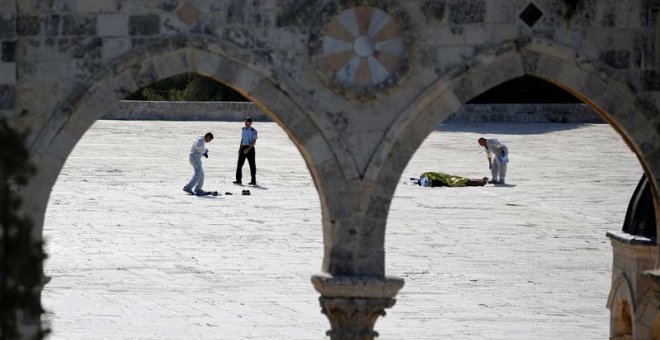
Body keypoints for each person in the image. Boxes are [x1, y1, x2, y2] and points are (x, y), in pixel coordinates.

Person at [233, 116, 258, 185]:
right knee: (239, 165)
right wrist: (240, 148)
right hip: (243, 147)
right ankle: (238, 180)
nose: (246, 123)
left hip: (250, 148)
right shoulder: (243, 129)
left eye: (247, 122)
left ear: (250, 123)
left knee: (252, 165)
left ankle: (253, 180)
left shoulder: (253, 131)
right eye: (245, 122)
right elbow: (242, 139)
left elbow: (254, 142)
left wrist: (248, 149)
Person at [417, 172, 488, 187]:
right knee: (465, 181)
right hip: (448, 181)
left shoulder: (426, 177)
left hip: (447, 179)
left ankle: (480, 181)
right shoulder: (427, 177)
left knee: (465, 180)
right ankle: (481, 182)